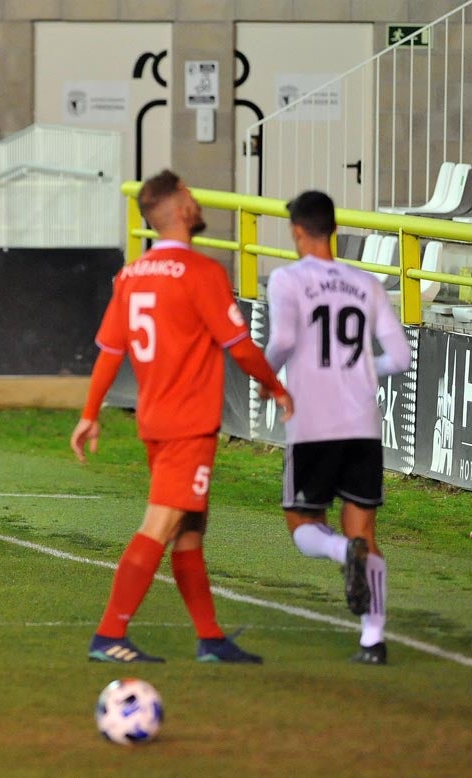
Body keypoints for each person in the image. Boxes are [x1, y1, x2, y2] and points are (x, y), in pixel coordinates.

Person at [71, 169, 294, 664]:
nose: (196, 202)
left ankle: (211, 638)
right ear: (178, 210)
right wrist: (277, 387)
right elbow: (240, 346)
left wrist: (90, 413)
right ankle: (109, 634)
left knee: (190, 529)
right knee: (160, 524)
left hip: (155, 420)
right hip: (188, 424)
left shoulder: (131, 275)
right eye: (190, 196)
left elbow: (110, 350)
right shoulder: (202, 273)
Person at [263, 190, 411, 665]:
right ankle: (373, 640)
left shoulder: (287, 279)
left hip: (313, 421)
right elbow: (402, 357)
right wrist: (365, 370)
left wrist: (267, 376)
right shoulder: (366, 283)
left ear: (297, 232)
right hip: (361, 422)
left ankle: (339, 551)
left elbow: (284, 338)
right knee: (364, 528)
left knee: (303, 524)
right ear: (334, 230)